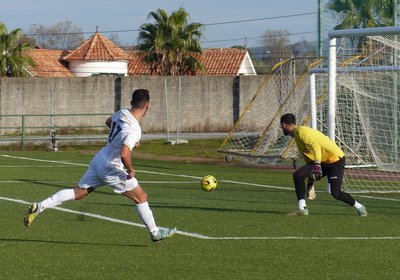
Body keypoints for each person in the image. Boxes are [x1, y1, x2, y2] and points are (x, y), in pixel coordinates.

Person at [24, 89, 177, 242]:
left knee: (79, 193)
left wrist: (121, 139)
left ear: (131, 102)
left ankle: (40, 206)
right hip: (112, 167)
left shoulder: (122, 112)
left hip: (100, 158)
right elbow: (124, 154)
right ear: (148, 106)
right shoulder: (135, 129)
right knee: (141, 197)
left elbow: (109, 122)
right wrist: (130, 169)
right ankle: (155, 232)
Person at [280, 113, 367, 217]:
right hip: (323, 161)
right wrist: (310, 183)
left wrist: (317, 165)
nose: (281, 128)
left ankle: (360, 207)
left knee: (336, 193)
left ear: (284, 124)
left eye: (281, 126)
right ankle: (302, 208)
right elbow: (309, 160)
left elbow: (315, 146)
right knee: (298, 175)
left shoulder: (301, 132)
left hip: (335, 161)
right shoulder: (297, 135)